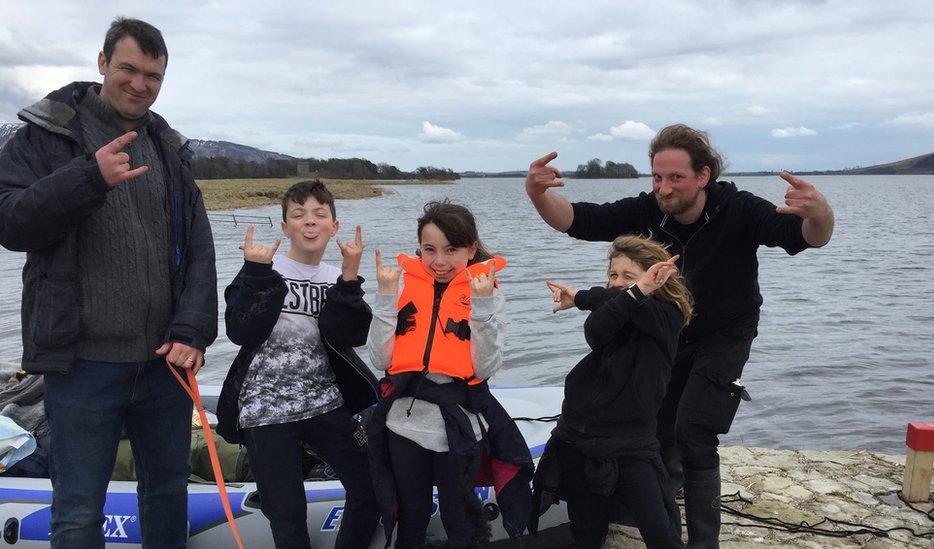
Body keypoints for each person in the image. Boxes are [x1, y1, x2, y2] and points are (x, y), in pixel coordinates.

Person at [524, 124, 834, 548]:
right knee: (653, 422)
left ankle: (702, 541)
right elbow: (580, 220)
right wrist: (537, 194)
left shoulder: (738, 208)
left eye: (675, 178)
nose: (663, 187)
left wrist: (820, 212)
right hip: (666, 333)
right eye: (656, 177)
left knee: (694, 429)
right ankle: (644, 505)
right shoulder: (650, 209)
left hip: (725, 333)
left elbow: (806, 237)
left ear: (703, 176)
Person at [0, 17, 216, 548]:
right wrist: (89, 177)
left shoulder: (167, 147)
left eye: (153, 76)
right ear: (102, 64)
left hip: (164, 363)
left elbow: (200, 246)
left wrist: (192, 330)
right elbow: (11, 222)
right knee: (77, 511)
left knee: (167, 494)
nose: (140, 84)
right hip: (81, 364)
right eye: (129, 69)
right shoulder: (46, 135)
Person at [220, 180, 381, 548]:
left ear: (334, 227)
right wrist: (257, 274)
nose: (310, 221)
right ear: (285, 226)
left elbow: (350, 336)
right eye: (298, 214)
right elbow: (240, 329)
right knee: (286, 512)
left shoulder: (336, 279)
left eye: (319, 214)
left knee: (369, 486)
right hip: (265, 409)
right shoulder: (263, 265)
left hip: (325, 402)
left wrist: (350, 278)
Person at [366, 201, 533, 548]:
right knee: (412, 515)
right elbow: (380, 357)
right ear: (419, 249)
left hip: (458, 430)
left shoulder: (487, 293)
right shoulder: (400, 286)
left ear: (471, 249)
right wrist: (383, 296)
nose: (439, 261)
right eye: (429, 250)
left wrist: (483, 306)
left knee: (460, 518)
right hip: (403, 427)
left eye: (451, 250)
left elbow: (484, 368)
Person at [534, 236, 691, 548]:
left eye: (628, 276)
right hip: (579, 436)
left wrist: (583, 296)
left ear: (654, 279)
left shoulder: (667, 315)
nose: (618, 282)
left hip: (632, 443)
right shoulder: (615, 310)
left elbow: (624, 305)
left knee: (660, 531)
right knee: (587, 529)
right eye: (613, 274)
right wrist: (586, 296)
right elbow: (596, 330)